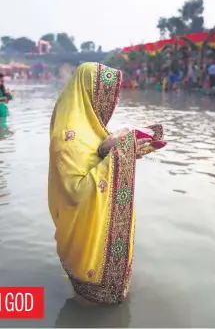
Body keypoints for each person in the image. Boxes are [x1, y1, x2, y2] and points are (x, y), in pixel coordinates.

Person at [48, 62, 161, 305]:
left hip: (98, 228)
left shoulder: (91, 126)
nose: (111, 103)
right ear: (90, 93)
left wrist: (123, 148)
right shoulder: (66, 137)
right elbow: (75, 192)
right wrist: (116, 153)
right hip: (82, 234)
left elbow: (96, 157)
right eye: (107, 95)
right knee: (88, 306)